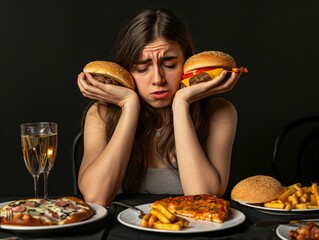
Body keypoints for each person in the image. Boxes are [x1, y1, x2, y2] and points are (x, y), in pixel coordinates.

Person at [77, 8, 240, 207]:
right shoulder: (100, 113)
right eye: (142, 67)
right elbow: (95, 198)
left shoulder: (220, 112)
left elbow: (204, 199)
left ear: (187, 62)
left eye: (169, 64)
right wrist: (129, 106)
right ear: (127, 69)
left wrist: (181, 105)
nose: (157, 79)